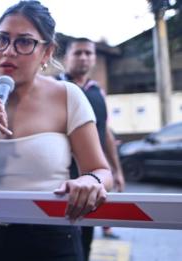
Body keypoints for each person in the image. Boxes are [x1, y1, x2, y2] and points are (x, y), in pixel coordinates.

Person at [0, 1, 113, 260]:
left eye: (24, 42)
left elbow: (100, 170)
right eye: (2, 39)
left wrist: (89, 182)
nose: (9, 51)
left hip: (52, 239)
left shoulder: (68, 96)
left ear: (47, 51)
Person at [59, 37, 126, 260]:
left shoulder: (98, 92)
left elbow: (105, 131)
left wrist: (116, 171)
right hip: (60, 177)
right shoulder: (56, 88)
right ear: (66, 57)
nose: (84, 57)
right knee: (60, 236)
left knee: (86, 233)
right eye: (78, 53)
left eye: (88, 53)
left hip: (91, 176)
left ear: (95, 58)